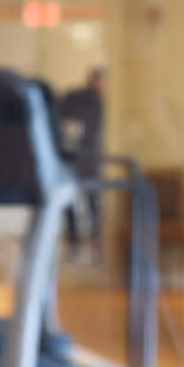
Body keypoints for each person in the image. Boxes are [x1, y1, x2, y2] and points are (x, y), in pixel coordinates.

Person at [57, 68, 106, 254]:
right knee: (88, 204)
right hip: (84, 159)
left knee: (83, 204)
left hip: (76, 157)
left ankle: (77, 244)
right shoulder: (89, 101)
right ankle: (86, 243)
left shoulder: (73, 97)